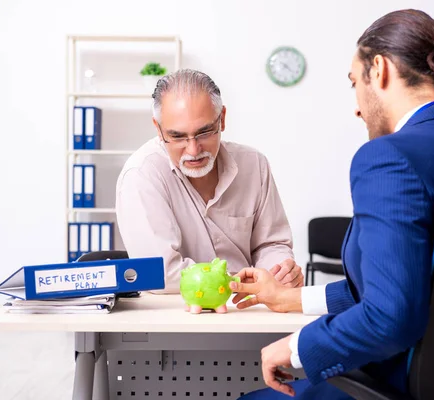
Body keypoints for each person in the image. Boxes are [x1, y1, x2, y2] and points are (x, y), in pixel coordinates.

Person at [234, 9, 434, 399]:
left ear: (378, 70)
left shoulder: (388, 158)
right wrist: (290, 298)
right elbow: (425, 284)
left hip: (408, 384)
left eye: (353, 84)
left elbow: (392, 316)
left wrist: (297, 347)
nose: (357, 108)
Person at [115, 69, 303, 298]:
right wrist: (242, 283)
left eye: (204, 133)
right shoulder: (142, 174)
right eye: (177, 137)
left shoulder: (254, 165)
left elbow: (271, 244)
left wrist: (279, 271)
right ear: (158, 129)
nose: (193, 150)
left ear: (222, 119)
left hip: (251, 311)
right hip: (175, 317)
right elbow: (161, 274)